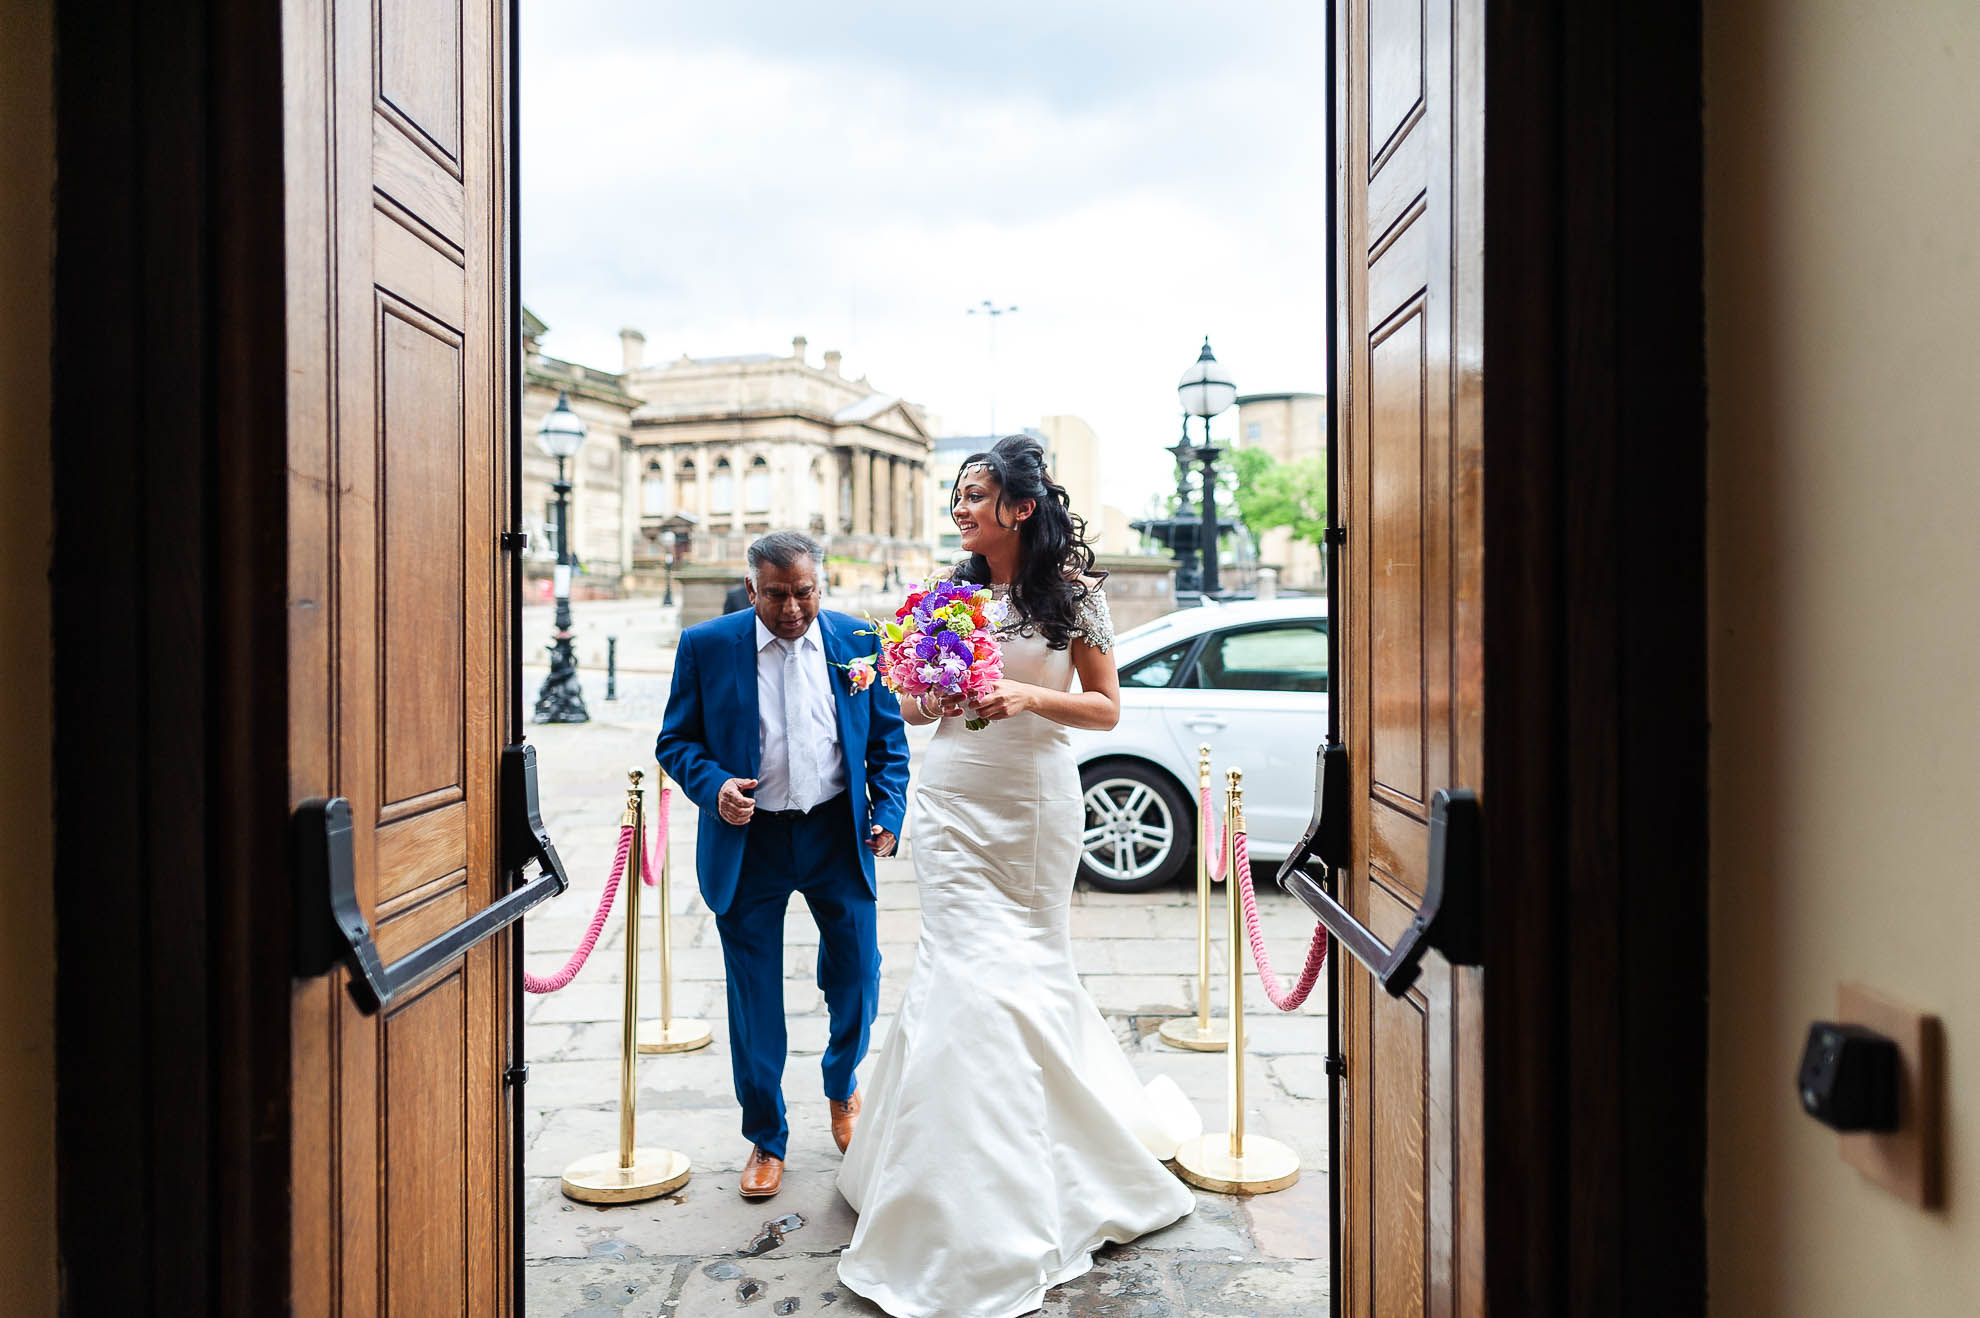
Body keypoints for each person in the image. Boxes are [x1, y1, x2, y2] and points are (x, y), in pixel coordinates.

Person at [836, 435, 1195, 1317]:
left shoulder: (1075, 593)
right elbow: (916, 705)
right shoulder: (946, 597)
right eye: (956, 495)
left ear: (1020, 507)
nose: (959, 508)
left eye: (974, 494)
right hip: (954, 800)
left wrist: (1030, 695)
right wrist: (923, 688)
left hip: (1035, 804)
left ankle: (1035, 1172)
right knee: (963, 973)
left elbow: (1109, 709)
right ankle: (945, 1192)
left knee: (1027, 969)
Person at [656, 530, 911, 1200]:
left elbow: (887, 741)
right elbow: (674, 740)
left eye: (805, 592)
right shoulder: (706, 646)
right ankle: (766, 1139)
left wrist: (886, 809)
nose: (793, 608)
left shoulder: (859, 641)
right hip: (750, 843)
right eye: (777, 594)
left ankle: (842, 1086)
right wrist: (713, 786)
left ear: (820, 587)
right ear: (751, 589)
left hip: (836, 834)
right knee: (754, 998)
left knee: (859, 975)